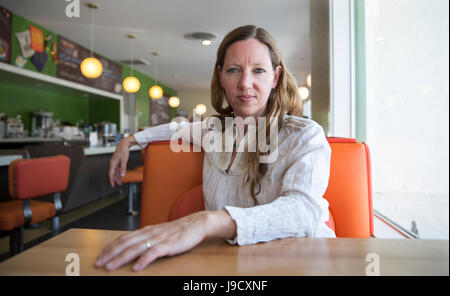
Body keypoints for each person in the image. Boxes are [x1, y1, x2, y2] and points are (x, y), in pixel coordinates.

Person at [95, 25, 336, 272]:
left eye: (259, 70)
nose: (245, 83)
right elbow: (176, 129)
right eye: (234, 70)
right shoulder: (213, 131)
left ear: (275, 78)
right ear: (220, 76)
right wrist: (130, 141)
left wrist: (208, 222)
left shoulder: (304, 135)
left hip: (302, 264)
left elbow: (303, 211)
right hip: (231, 265)